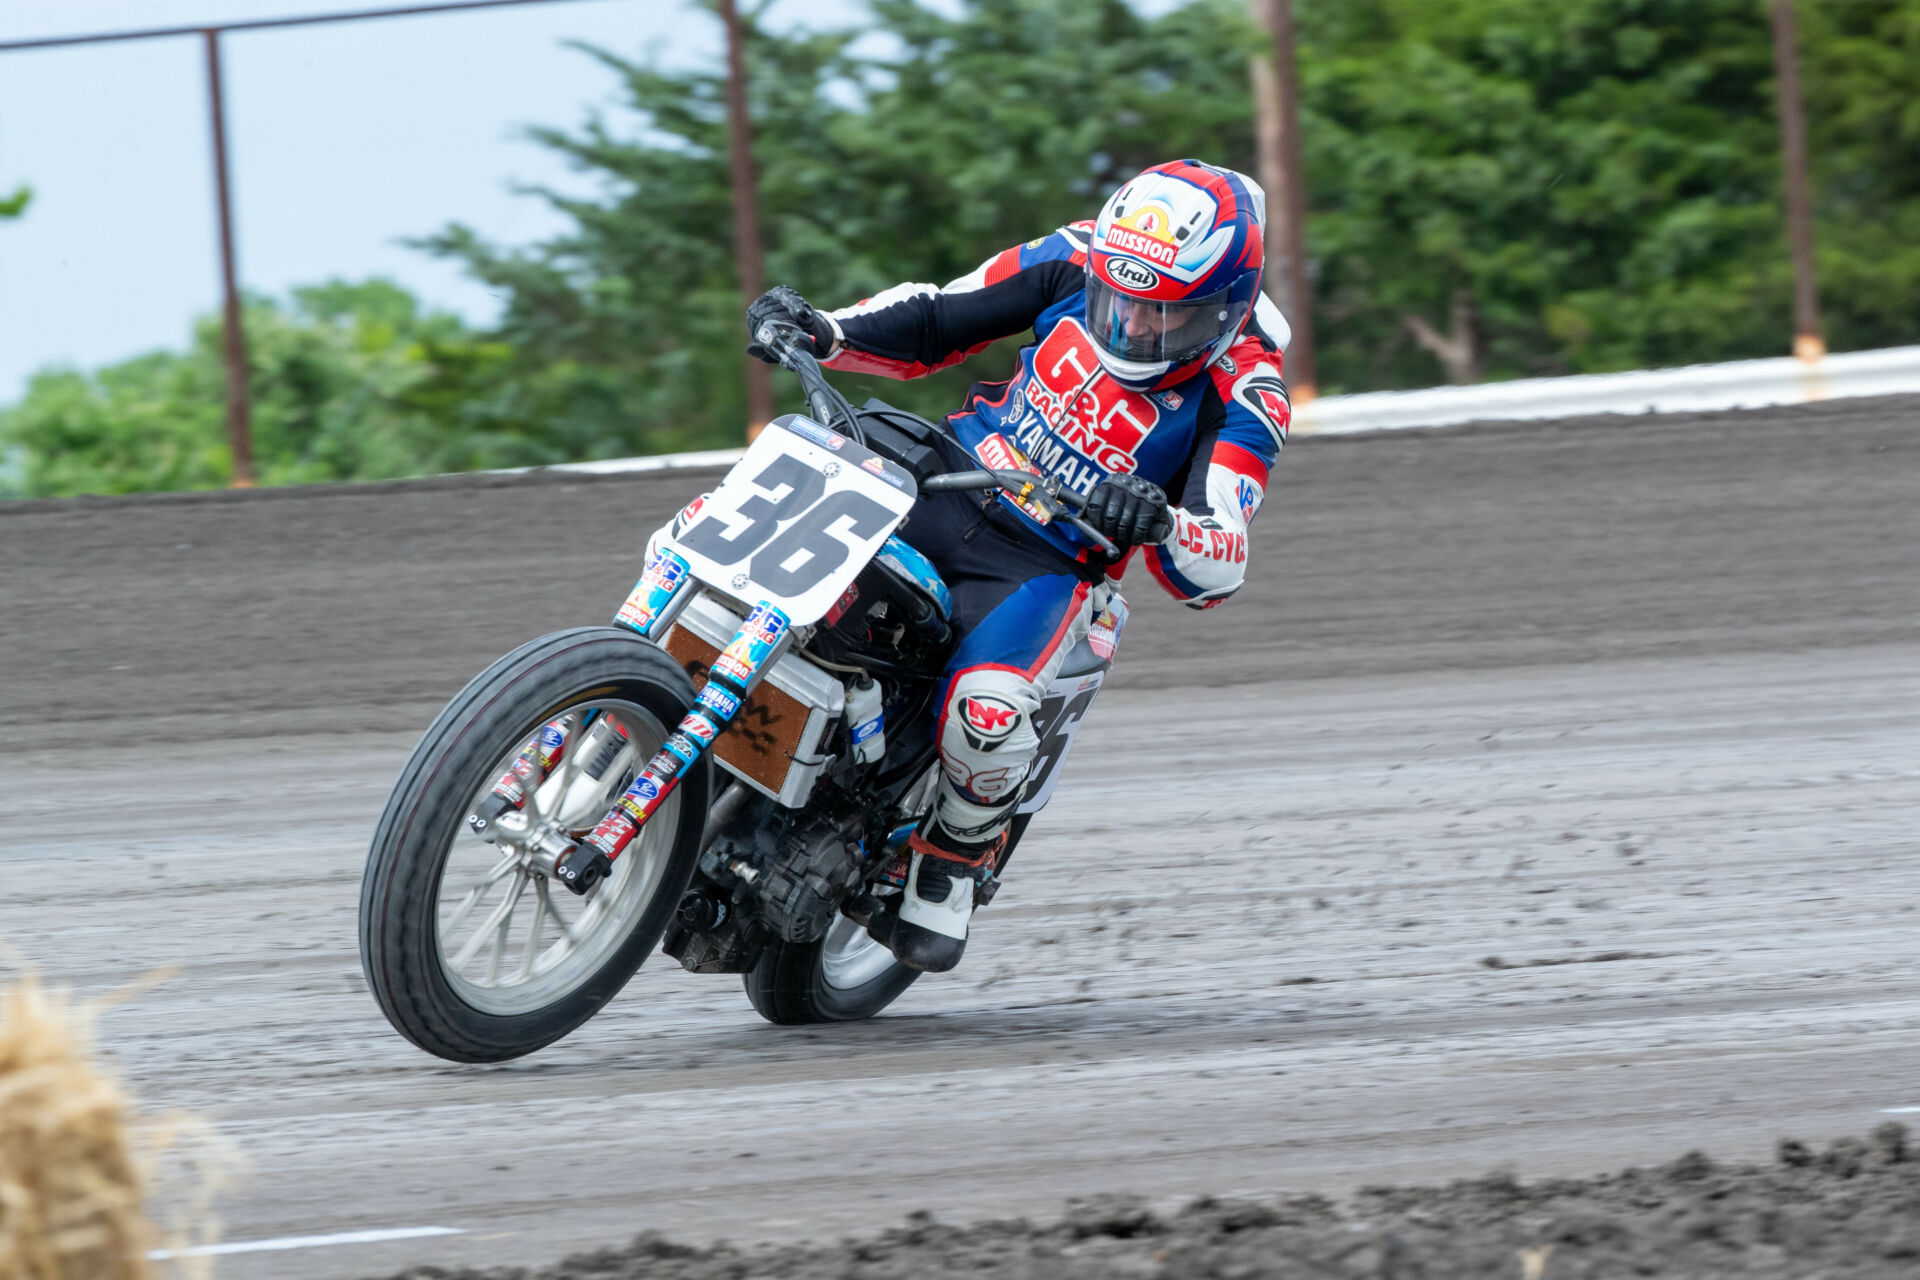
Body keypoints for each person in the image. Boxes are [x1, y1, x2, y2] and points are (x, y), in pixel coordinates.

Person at [744, 159, 1291, 972]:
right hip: (939, 476)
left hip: (1044, 562)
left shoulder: (1249, 388)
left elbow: (1221, 555)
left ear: (1228, 305)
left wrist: (1162, 520)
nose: (1134, 328)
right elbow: (939, 317)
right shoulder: (1074, 254)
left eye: (1164, 317)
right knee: (748, 543)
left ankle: (954, 857)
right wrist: (826, 329)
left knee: (991, 709)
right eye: (1121, 301)